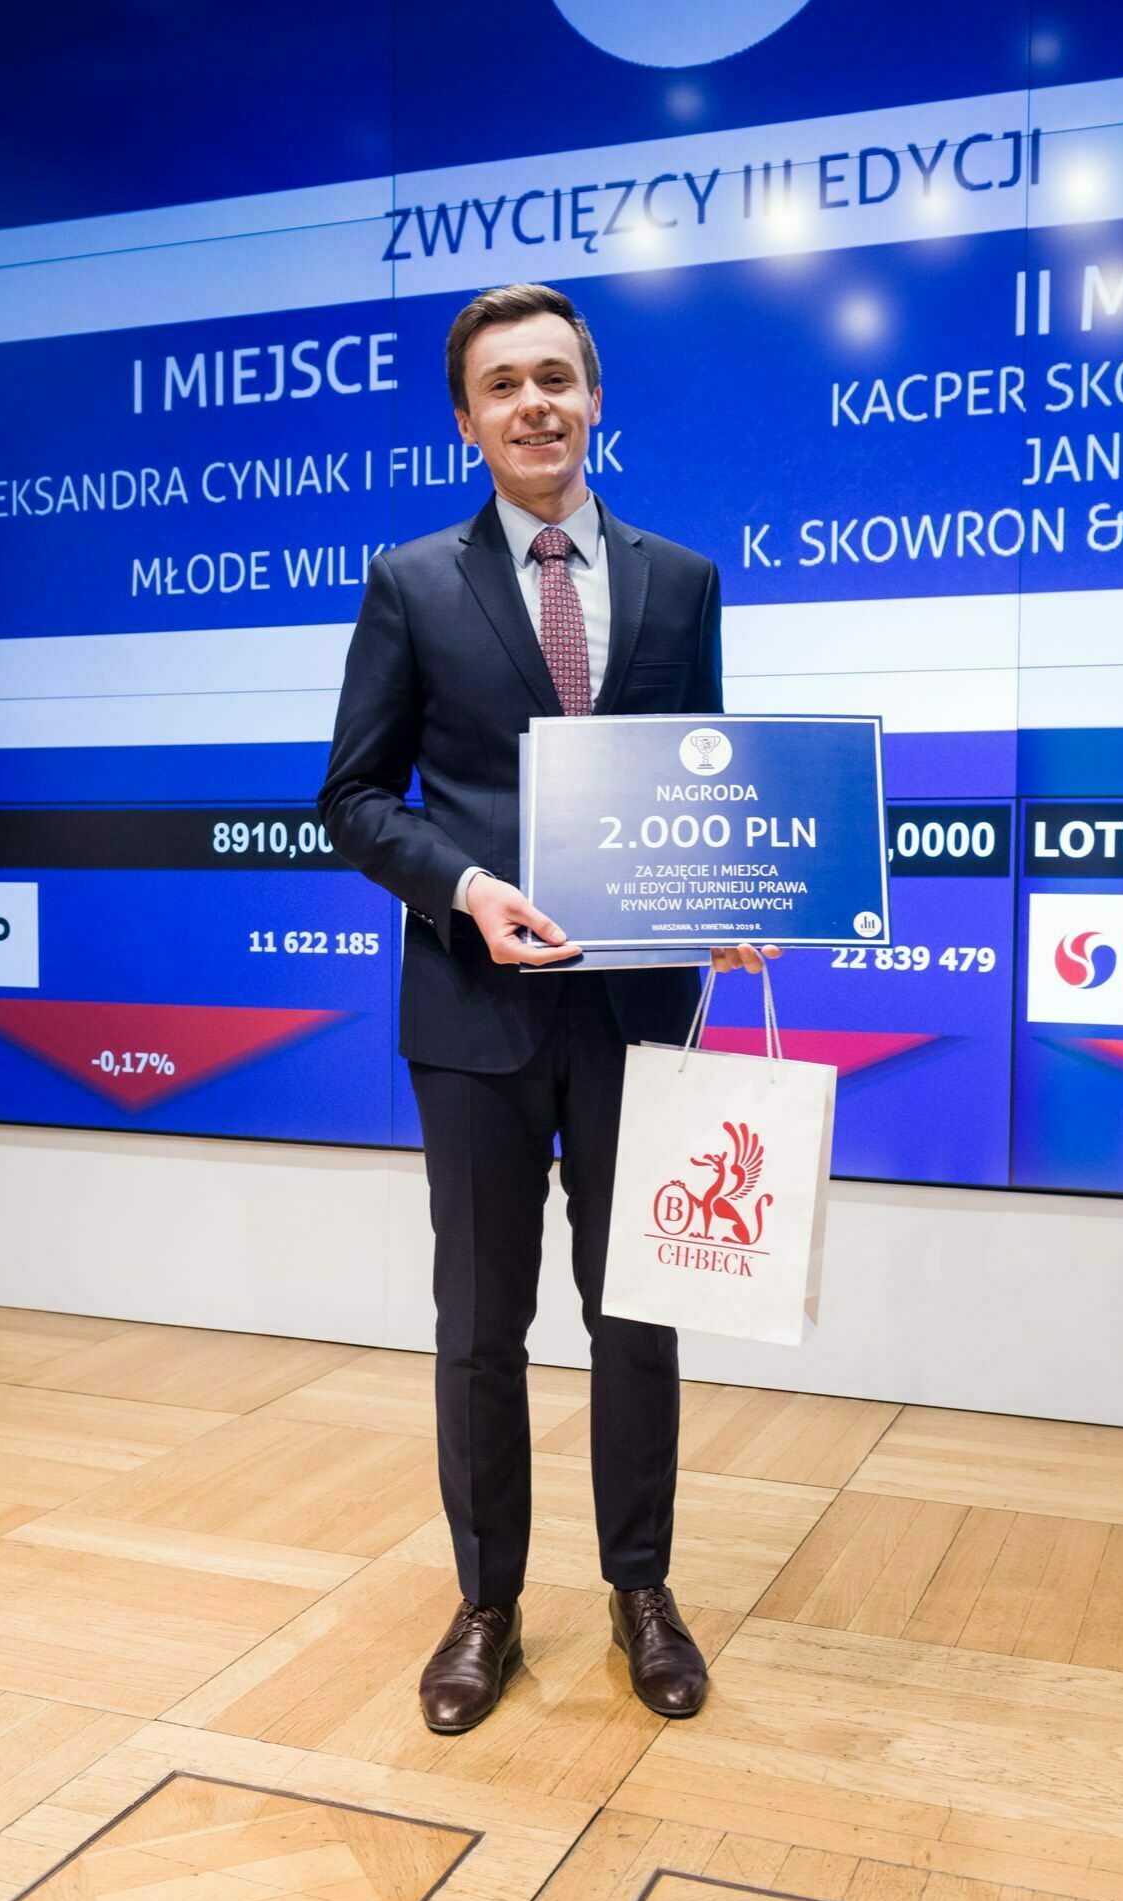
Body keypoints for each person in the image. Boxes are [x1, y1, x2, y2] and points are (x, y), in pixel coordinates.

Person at [318, 282, 775, 1734]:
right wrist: (463, 889)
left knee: (638, 1317)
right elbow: (351, 799)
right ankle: (486, 1606)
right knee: (480, 1328)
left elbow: (700, 780)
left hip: (640, 1014)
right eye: (503, 385)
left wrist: (737, 903)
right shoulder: (411, 583)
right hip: (474, 1013)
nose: (533, 404)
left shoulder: (679, 579)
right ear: (467, 420)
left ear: (594, 401)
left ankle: (641, 1592)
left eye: (556, 379)